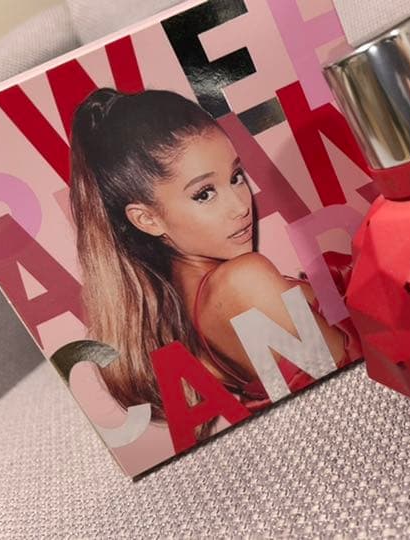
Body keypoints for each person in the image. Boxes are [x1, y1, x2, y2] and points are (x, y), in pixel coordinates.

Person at [68, 88, 360, 439]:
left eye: (236, 177)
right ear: (148, 219)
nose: (241, 205)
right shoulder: (242, 283)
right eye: (204, 193)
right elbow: (357, 395)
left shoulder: (196, 307)